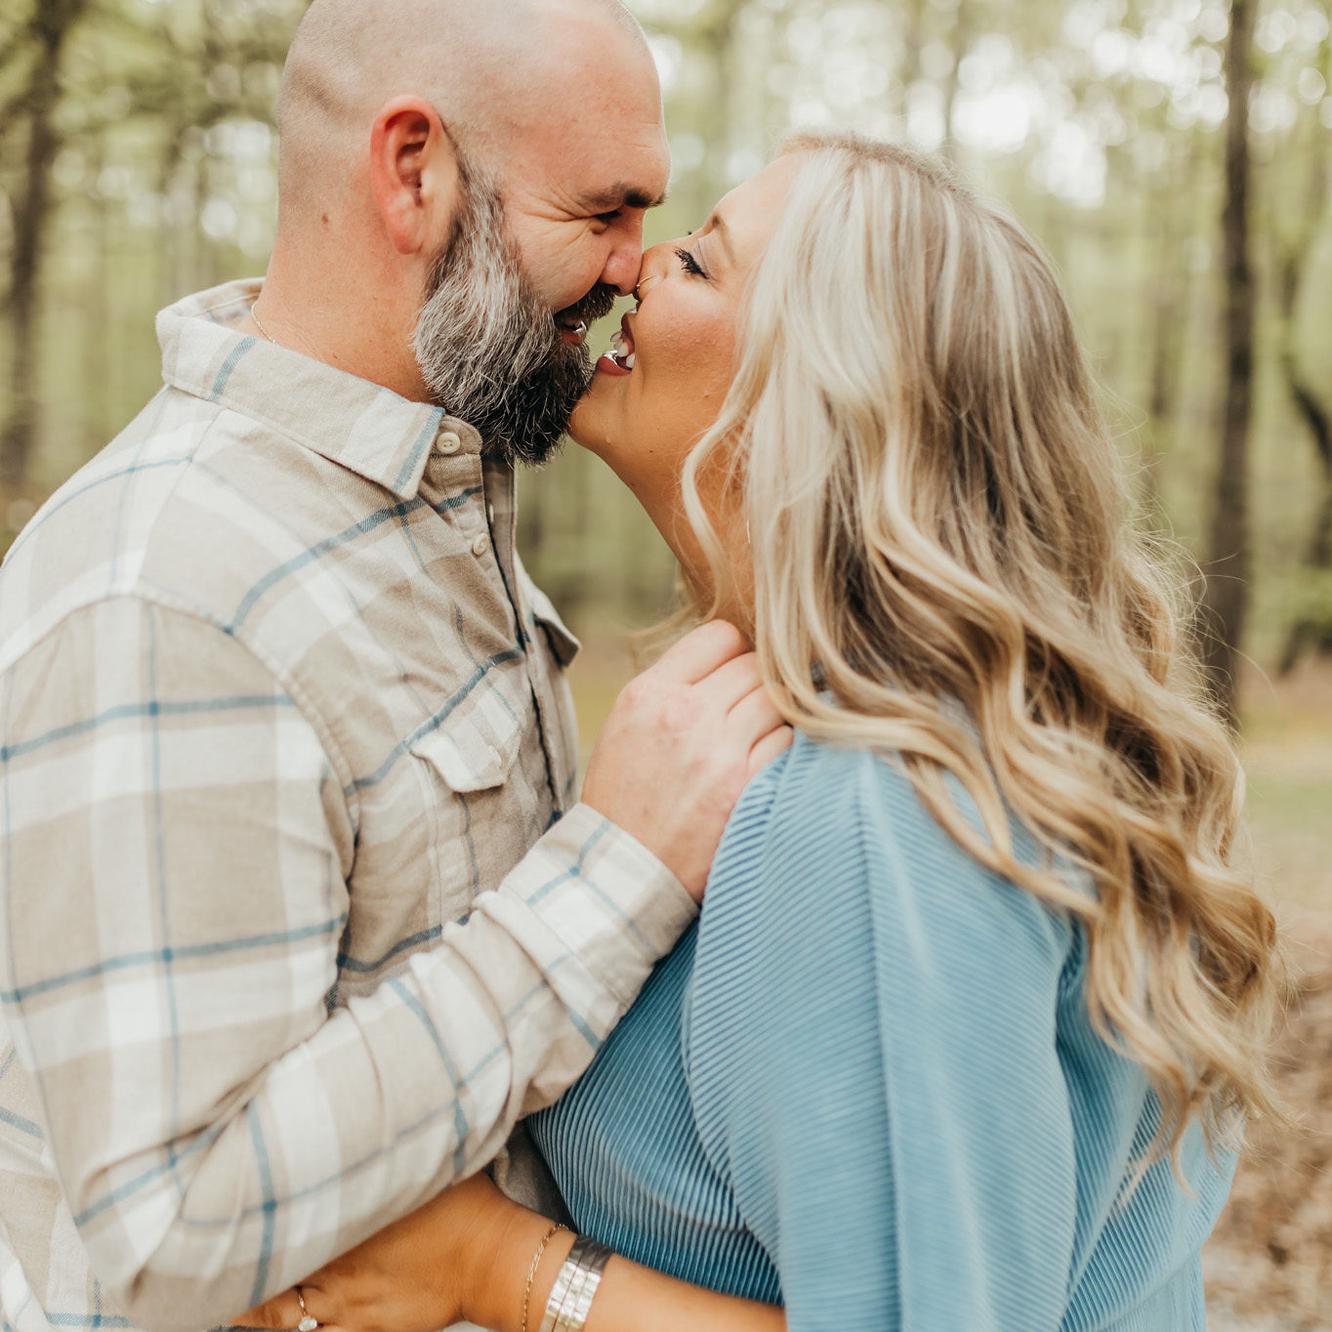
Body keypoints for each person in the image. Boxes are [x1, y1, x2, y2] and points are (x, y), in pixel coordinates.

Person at [251, 134, 1285, 1331]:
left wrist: (502, 1270)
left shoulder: (877, 816)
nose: (637, 267)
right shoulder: (861, 750)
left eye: (700, 261)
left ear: (823, 398)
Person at [0, 2, 795, 1330]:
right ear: (413, 170)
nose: (632, 269)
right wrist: (621, 870)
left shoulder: (434, 500)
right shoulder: (171, 594)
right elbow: (170, 1229)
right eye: (602, 211)